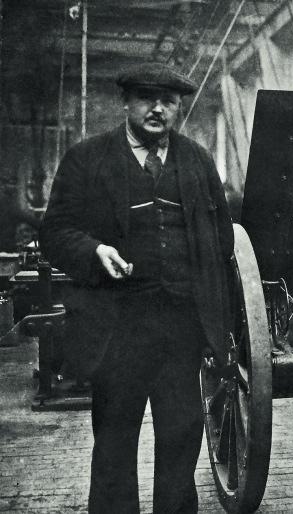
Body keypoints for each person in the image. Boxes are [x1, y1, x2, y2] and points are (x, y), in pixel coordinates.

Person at [40, 62, 234, 513]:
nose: (158, 109)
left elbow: (222, 241)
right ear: (125, 102)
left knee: (182, 435)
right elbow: (55, 232)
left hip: (182, 329)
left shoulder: (198, 160)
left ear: (179, 107)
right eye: (147, 98)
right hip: (117, 329)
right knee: (114, 441)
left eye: (169, 101)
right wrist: (94, 251)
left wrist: (218, 321)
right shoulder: (87, 159)